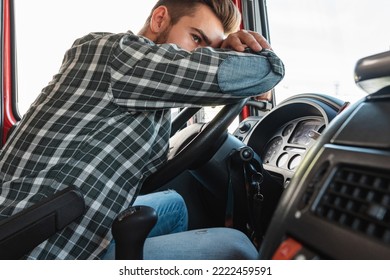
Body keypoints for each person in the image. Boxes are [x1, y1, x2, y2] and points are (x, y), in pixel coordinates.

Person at [0, 0, 284, 259]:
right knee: (236, 248)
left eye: (212, 49)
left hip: (60, 218)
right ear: (160, 19)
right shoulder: (119, 54)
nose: (203, 56)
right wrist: (248, 57)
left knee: (174, 204)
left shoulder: (149, 92)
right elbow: (268, 71)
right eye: (196, 38)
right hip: (41, 242)